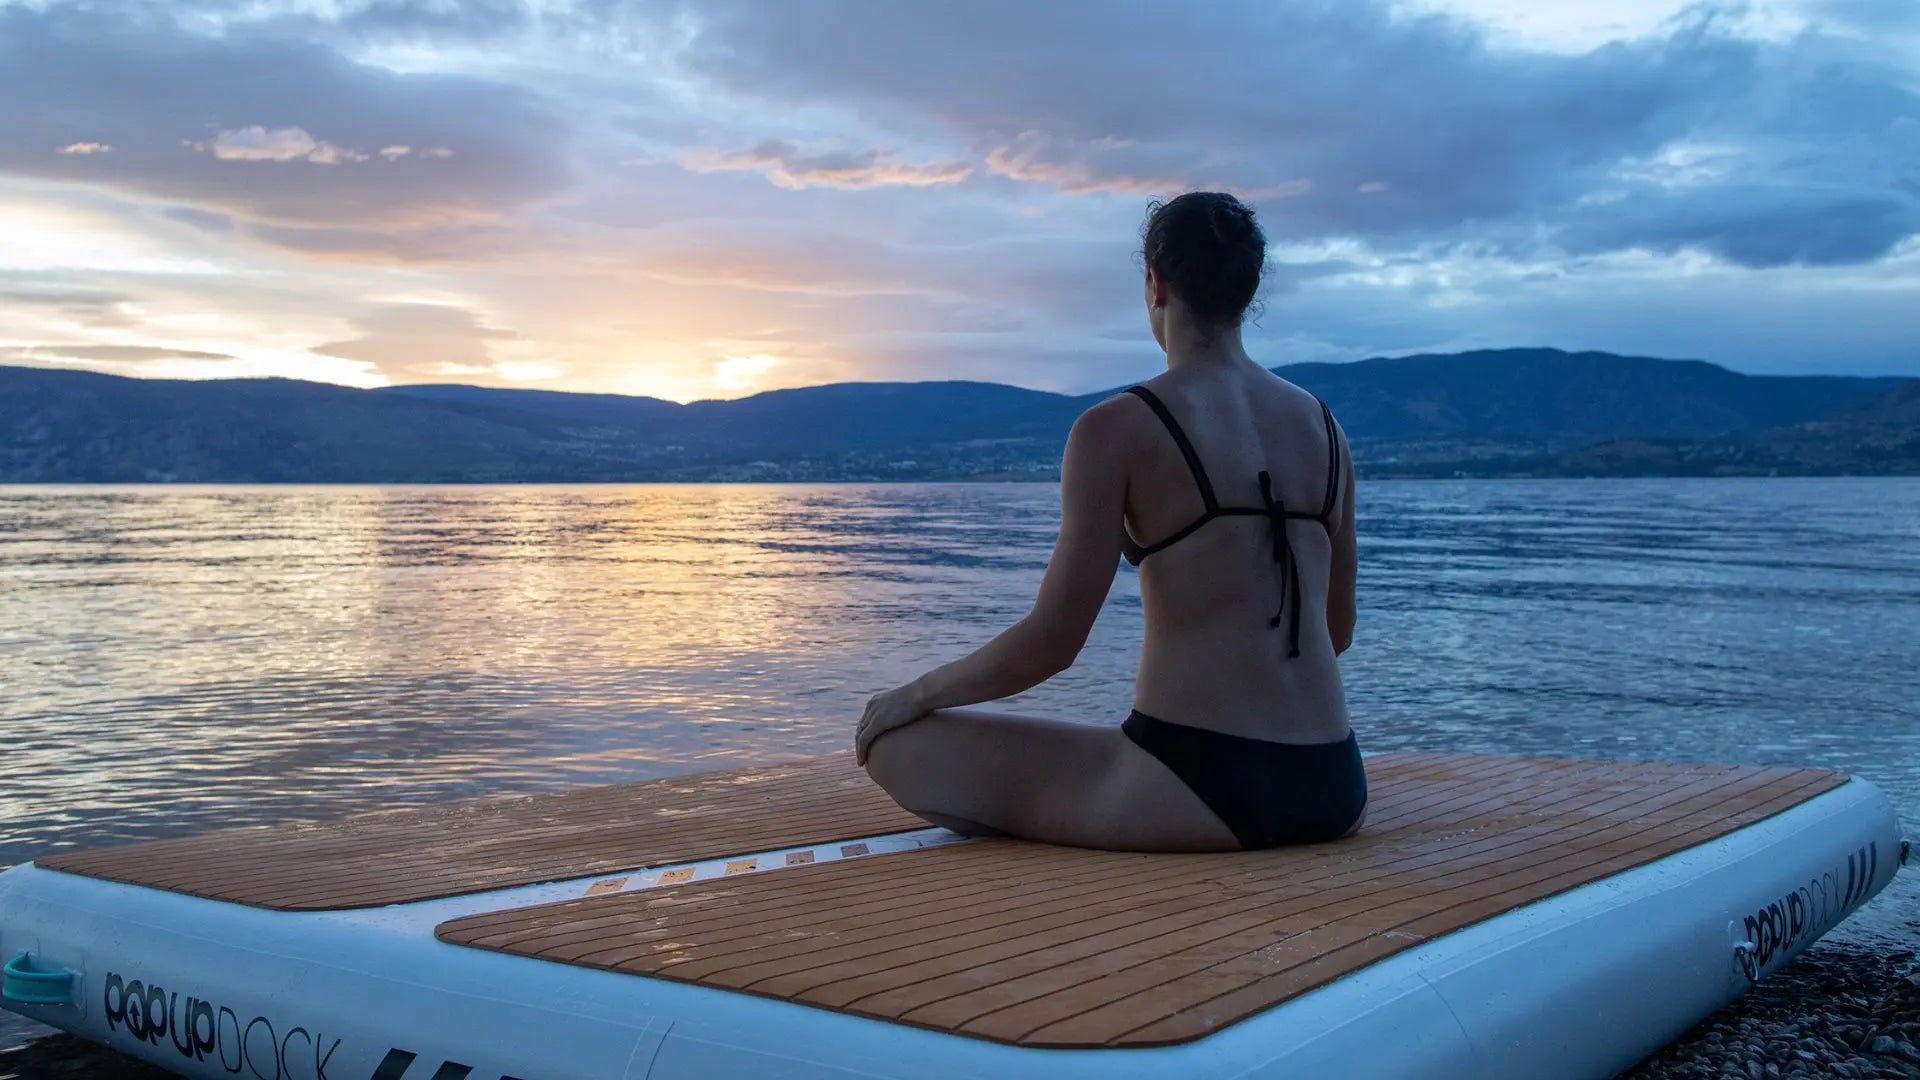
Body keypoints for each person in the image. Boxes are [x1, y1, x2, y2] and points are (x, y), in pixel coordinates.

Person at [855, 191, 1363, 852]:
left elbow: (1052, 643)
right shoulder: (1325, 427)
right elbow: (1337, 631)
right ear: (1247, 291)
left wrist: (911, 695)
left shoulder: (1117, 428)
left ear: (1156, 282)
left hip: (1202, 785)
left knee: (900, 744)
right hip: (1334, 784)